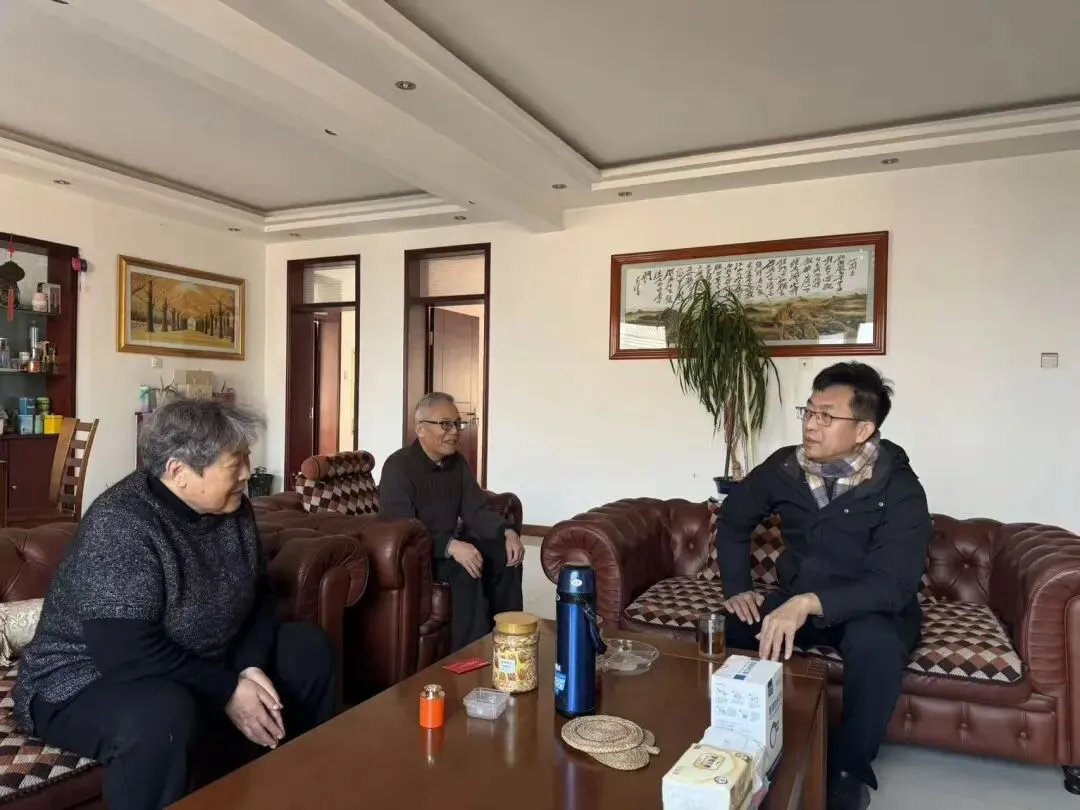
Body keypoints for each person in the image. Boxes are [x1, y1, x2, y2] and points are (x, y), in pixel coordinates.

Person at [13, 399, 336, 810]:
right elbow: (126, 653)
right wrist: (227, 689)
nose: (246, 473)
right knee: (161, 715)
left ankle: (296, 790)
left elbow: (259, 597)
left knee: (307, 649)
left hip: (197, 657)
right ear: (179, 471)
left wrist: (248, 667)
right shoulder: (123, 523)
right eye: (234, 463)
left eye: (246, 457)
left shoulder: (232, 507)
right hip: (82, 679)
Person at [717, 362, 931, 810]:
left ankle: (850, 772)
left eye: (827, 416)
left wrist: (809, 603)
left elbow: (893, 584)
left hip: (869, 607)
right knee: (728, 626)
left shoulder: (900, 487)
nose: (811, 425)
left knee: (876, 648)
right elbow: (734, 518)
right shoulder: (784, 467)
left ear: (863, 430)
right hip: (798, 599)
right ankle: (735, 739)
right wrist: (737, 587)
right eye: (809, 412)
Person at [379, 392, 524, 651]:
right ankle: (472, 654)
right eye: (445, 424)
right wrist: (449, 546)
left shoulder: (457, 464)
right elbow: (402, 531)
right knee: (466, 567)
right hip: (418, 556)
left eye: (457, 423)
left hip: (447, 547)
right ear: (420, 429)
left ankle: (511, 639)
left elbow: (476, 511)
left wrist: (507, 532)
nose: (455, 431)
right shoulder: (398, 467)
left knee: (506, 555)